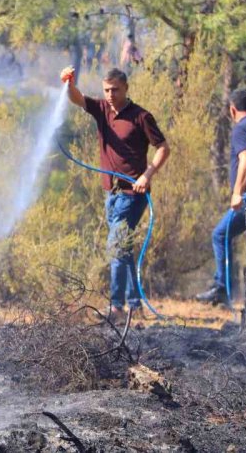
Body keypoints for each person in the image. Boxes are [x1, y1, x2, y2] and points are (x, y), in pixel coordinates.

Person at [59, 66, 171, 320]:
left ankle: (117, 307)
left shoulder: (141, 117)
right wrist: (69, 82)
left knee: (116, 246)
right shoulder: (102, 110)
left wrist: (147, 174)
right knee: (123, 248)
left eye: (115, 90)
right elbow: (77, 98)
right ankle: (135, 304)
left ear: (126, 88)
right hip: (110, 194)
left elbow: (163, 148)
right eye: (106, 90)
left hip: (133, 195)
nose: (110, 95)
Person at [197, 89, 246, 305]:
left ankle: (222, 289)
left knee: (220, 235)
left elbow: (245, 160)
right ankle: (229, 290)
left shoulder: (241, 128)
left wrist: (238, 192)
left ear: (232, 109)